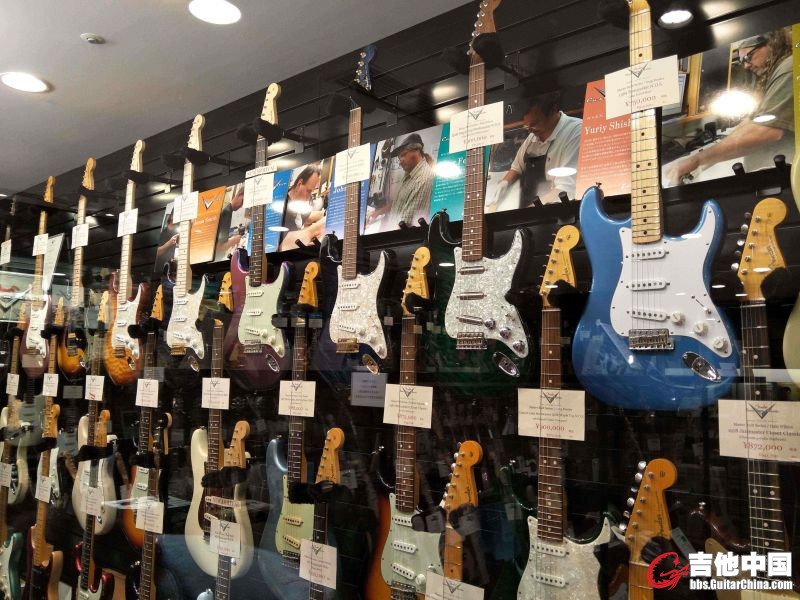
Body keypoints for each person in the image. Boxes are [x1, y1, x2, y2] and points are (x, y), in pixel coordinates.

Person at [665, 29, 793, 184]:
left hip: (789, 177)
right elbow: (752, 121)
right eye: (742, 61)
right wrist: (703, 161)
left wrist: (697, 160)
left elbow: (766, 131)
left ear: (772, 44)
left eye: (748, 57)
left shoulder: (788, 69)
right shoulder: (773, 73)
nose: (746, 65)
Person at [488, 90, 582, 209]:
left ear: (553, 110)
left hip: (558, 208)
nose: (530, 131)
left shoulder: (575, 132)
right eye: (527, 126)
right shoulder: (533, 135)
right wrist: (503, 184)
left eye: (535, 124)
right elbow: (517, 167)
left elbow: (565, 189)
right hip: (532, 202)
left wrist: (525, 214)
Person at [364, 133, 435, 230]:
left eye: (403, 155)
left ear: (417, 151)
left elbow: (405, 225)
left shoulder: (423, 179)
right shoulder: (410, 172)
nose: (400, 161)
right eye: (399, 158)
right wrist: (377, 213)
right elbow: (399, 202)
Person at [279, 164, 325, 251]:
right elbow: (282, 246)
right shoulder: (281, 207)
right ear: (299, 184)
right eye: (309, 191)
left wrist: (324, 213)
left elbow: (307, 217)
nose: (310, 196)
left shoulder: (305, 201)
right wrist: (314, 229)